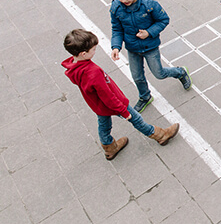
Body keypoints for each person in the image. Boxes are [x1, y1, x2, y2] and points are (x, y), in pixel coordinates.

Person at [62, 29, 180, 160]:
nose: (95, 51)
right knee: (136, 119)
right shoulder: (92, 72)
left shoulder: (73, 67)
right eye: (93, 50)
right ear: (84, 54)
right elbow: (107, 95)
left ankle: (109, 148)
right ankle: (160, 135)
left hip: (97, 105)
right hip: (114, 103)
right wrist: (123, 111)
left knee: (104, 125)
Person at [110, 0, 191, 113]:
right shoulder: (116, 8)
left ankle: (180, 72)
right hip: (133, 48)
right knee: (137, 77)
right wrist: (116, 46)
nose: (123, 0)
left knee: (159, 73)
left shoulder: (148, 3)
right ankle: (145, 97)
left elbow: (163, 20)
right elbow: (116, 29)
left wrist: (149, 32)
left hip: (150, 46)